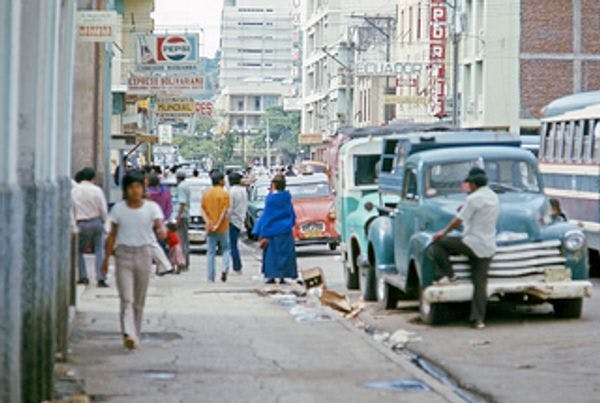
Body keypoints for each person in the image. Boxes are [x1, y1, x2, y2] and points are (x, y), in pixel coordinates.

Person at [102, 170, 166, 350]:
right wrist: (106, 259)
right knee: (126, 298)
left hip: (144, 254)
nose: (135, 191)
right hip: (123, 256)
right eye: (131, 187)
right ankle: (128, 332)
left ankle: (135, 334)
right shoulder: (118, 209)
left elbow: (160, 226)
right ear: (126, 189)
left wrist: (162, 232)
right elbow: (112, 235)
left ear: (143, 188)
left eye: (138, 187)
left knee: (139, 299)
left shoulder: (152, 208)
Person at [429, 167, 499, 330]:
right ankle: (478, 320)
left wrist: (443, 232)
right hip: (488, 246)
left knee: (438, 244)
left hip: (471, 243)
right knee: (480, 284)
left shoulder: (473, 199)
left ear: (474, 184)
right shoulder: (493, 197)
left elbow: (457, 221)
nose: (468, 186)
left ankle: (449, 275)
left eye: (469, 183)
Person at [253, 174, 298, 284]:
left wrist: (261, 231)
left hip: (272, 231)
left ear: (273, 185)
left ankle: (271, 276)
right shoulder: (287, 197)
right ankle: (283, 276)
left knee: (271, 255)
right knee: (285, 254)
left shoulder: (271, 199)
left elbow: (267, 215)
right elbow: (291, 213)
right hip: (285, 230)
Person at [72, 167, 109, 287]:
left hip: (81, 223)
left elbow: (71, 209)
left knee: (78, 250)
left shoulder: (74, 191)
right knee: (99, 249)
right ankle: (101, 277)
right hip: (96, 222)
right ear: (93, 178)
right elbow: (103, 208)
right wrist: (104, 221)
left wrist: (73, 224)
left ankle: (83, 276)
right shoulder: (97, 190)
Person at [201, 171, 231, 282]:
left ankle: (210, 276)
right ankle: (224, 268)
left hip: (210, 227)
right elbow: (224, 211)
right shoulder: (224, 194)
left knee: (211, 252)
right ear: (220, 181)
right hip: (223, 227)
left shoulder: (206, 194)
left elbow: (202, 210)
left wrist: (208, 222)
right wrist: (218, 223)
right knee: (226, 249)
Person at [146, 175, 173, 275]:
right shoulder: (166, 192)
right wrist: (165, 218)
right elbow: (169, 207)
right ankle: (161, 268)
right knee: (160, 244)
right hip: (161, 221)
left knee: (149, 245)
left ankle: (153, 267)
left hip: (148, 222)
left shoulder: (146, 193)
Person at [228, 172, 248, 274]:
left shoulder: (232, 192)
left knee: (232, 245)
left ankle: (237, 266)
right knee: (234, 243)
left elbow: (229, 208)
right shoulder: (243, 191)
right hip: (240, 218)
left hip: (232, 220)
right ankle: (236, 266)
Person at [175, 171, 191, 270]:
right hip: (186, 215)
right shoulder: (186, 185)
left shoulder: (181, 187)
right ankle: (185, 262)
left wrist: (178, 216)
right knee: (184, 240)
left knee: (180, 240)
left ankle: (182, 263)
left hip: (183, 216)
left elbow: (182, 203)